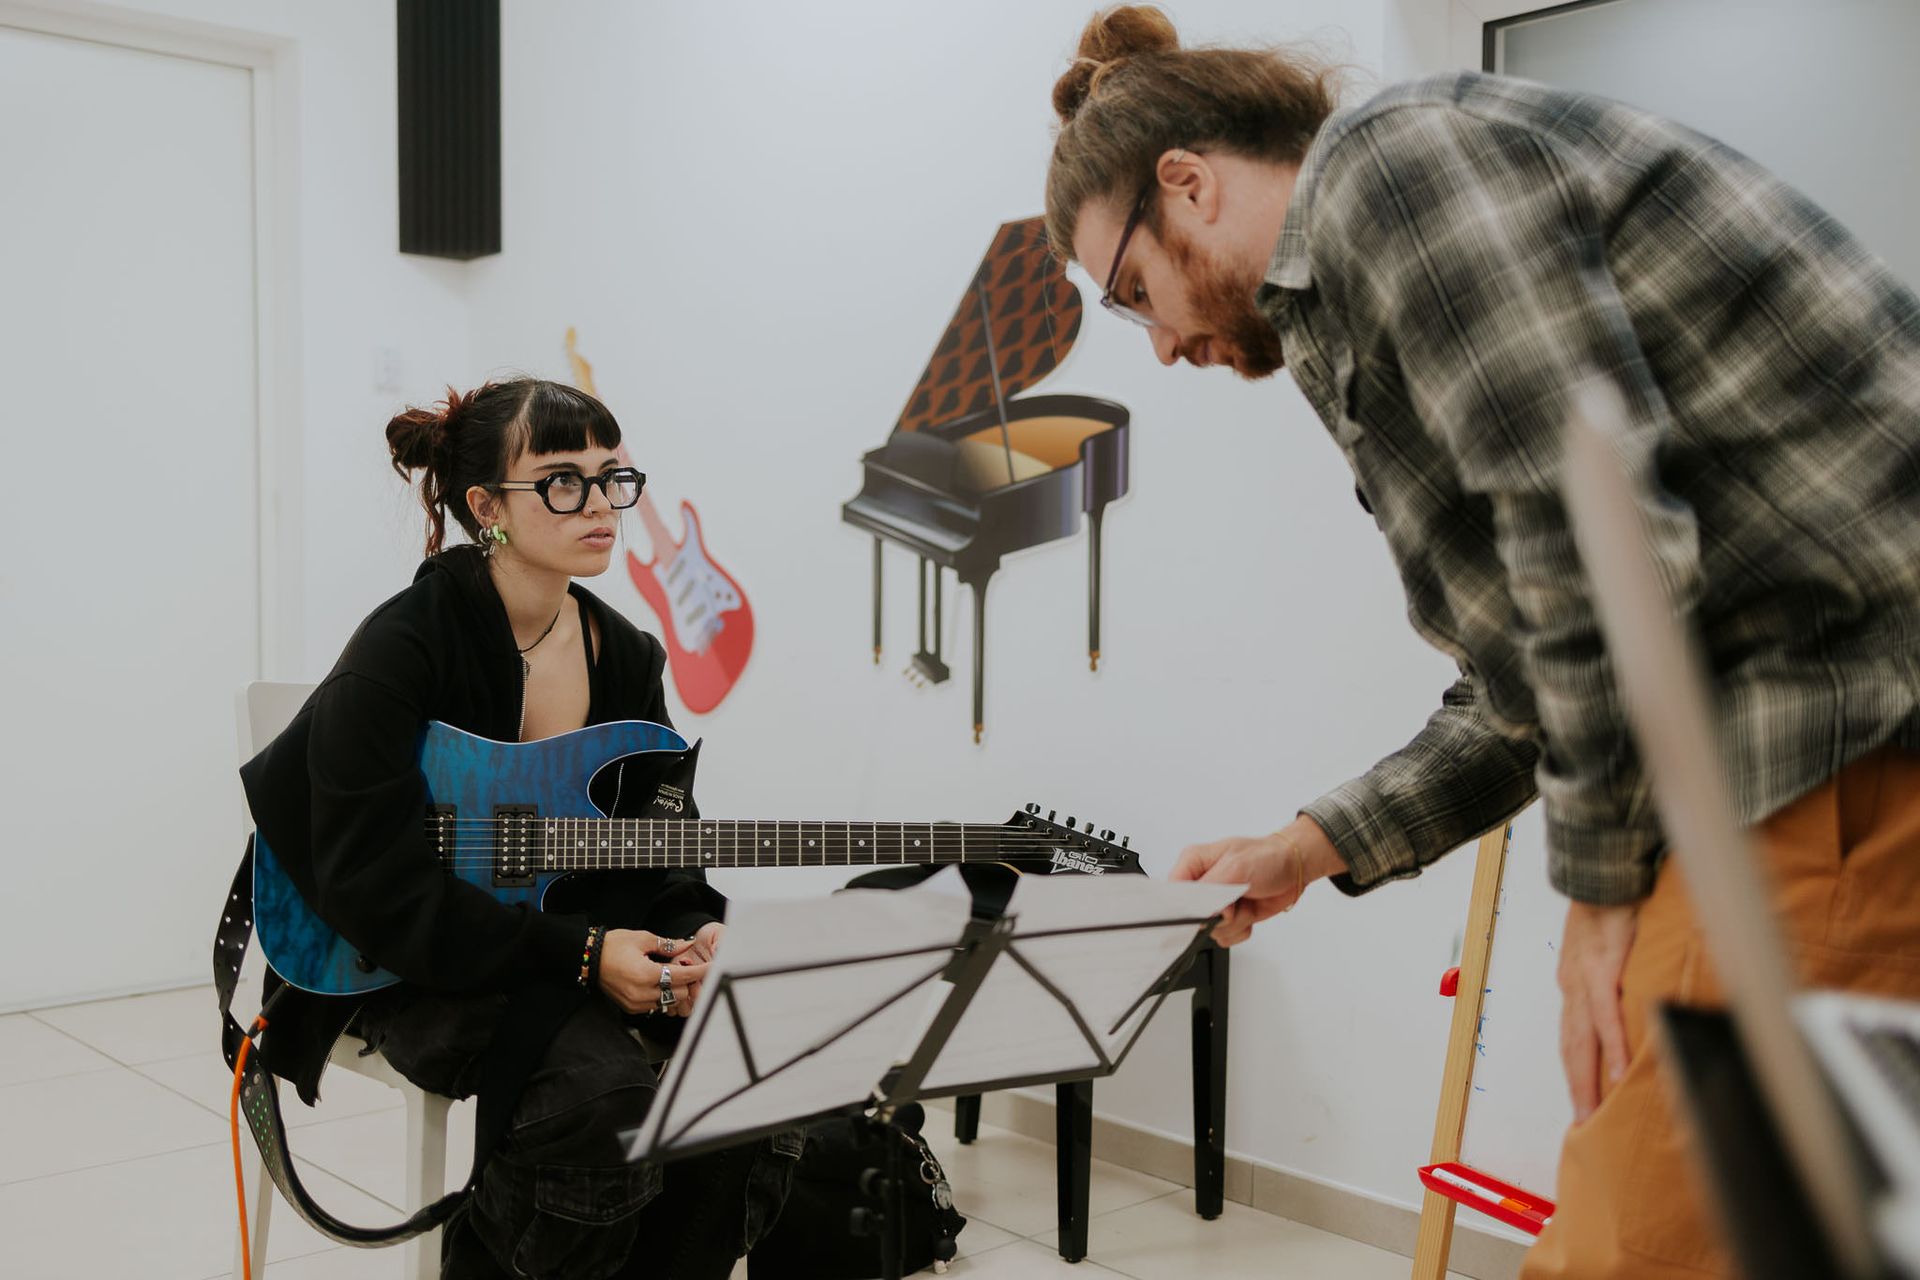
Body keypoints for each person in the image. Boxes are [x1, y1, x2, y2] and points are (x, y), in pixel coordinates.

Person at [1042, 7, 1920, 1277]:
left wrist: (1600, 896)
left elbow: (1595, 538)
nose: (1165, 344)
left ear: (1189, 182)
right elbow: (1521, 687)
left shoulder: (1389, 170)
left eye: (1134, 293)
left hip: (1841, 726)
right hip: (1792, 740)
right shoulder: (1363, 274)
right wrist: (1308, 845)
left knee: (1636, 1248)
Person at [239, 377, 799, 1278]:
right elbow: (367, 876)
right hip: (398, 955)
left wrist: (696, 927)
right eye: (563, 480)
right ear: (486, 508)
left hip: (556, 944)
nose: (600, 503)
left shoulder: (627, 655)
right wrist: (584, 955)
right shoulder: (404, 645)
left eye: (611, 476)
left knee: (756, 1069)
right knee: (601, 1102)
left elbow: (661, 845)